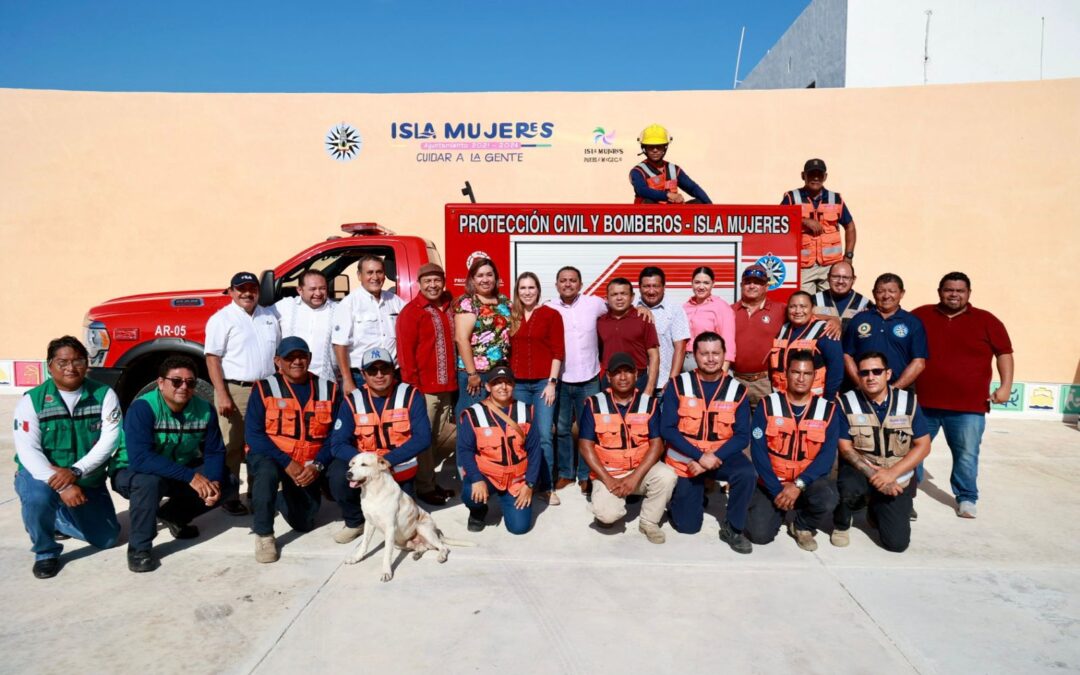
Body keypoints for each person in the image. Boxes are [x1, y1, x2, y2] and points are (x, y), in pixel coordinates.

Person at [12, 336, 122, 578]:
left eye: (78, 361)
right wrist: (63, 487)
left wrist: (75, 472)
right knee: (38, 498)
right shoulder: (32, 400)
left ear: (87, 364)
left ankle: (59, 518)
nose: (71, 368)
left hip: (85, 477)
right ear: (49, 365)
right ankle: (46, 551)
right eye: (62, 362)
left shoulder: (104, 394)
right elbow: (28, 450)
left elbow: (110, 439)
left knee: (108, 538)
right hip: (41, 476)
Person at [912, 272, 1014, 518]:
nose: (954, 294)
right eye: (949, 290)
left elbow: (1004, 354)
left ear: (968, 293)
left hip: (969, 407)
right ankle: (906, 497)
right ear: (940, 291)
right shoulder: (920, 316)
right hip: (923, 403)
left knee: (967, 455)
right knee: (911, 452)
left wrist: (1005, 386)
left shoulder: (987, 320)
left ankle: (966, 498)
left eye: (960, 290)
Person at [113, 355, 226, 572]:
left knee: (227, 481)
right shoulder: (143, 408)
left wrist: (213, 481)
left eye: (190, 382)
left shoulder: (205, 409)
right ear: (161, 382)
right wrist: (191, 477)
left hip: (175, 469)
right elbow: (141, 459)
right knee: (149, 483)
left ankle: (174, 516)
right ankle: (139, 548)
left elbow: (215, 451)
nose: (183, 386)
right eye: (176, 381)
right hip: (132, 471)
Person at [244, 337, 340, 563]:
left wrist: (317, 465)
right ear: (278, 361)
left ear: (309, 359)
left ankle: (282, 497)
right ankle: (264, 534)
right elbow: (254, 435)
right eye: (290, 357)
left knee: (304, 523)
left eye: (302, 356)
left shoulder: (329, 389)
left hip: (308, 462)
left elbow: (336, 436)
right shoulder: (264, 388)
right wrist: (287, 463)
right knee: (266, 474)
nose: (296, 361)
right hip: (272, 456)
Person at [661, 332, 757, 553]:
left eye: (716, 353)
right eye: (704, 354)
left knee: (746, 473)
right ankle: (685, 497)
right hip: (686, 459)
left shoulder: (737, 390)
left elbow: (743, 435)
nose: (711, 359)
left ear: (724, 355)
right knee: (687, 527)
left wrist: (711, 458)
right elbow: (667, 429)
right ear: (695, 355)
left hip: (720, 456)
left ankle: (733, 527)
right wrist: (699, 456)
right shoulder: (678, 385)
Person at [326, 348, 431, 544]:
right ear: (363, 374)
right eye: (372, 371)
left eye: (385, 369)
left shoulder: (411, 395)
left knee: (403, 527)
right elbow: (337, 444)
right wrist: (365, 463)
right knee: (338, 475)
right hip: (366, 467)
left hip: (398, 467)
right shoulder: (352, 400)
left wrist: (386, 461)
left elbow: (423, 438)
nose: (379, 375)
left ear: (393, 370)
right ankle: (355, 521)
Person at [831, 352, 931, 552]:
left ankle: (875, 508)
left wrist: (891, 474)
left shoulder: (908, 402)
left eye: (877, 371)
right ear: (858, 376)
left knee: (897, 544)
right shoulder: (846, 403)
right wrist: (877, 476)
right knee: (849, 486)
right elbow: (845, 448)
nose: (870, 377)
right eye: (864, 372)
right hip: (861, 469)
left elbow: (924, 445)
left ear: (888, 374)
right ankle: (841, 524)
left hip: (896, 473)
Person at [205, 271, 281, 516]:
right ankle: (230, 495)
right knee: (233, 446)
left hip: (266, 390)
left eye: (252, 288)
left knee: (260, 444)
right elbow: (212, 359)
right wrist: (222, 394)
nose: (247, 293)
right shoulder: (221, 319)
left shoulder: (270, 316)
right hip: (235, 389)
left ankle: (256, 493)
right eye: (241, 289)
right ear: (231, 291)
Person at [579, 353, 676, 543]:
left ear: (637, 374)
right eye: (617, 373)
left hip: (639, 471)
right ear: (608, 377)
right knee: (607, 516)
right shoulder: (594, 404)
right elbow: (585, 445)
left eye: (628, 372)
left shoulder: (649, 404)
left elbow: (657, 445)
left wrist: (634, 478)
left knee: (667, 475)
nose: (623, 377)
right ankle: (610, 502)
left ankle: (648, 522)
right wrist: (607, 479)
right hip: (609, 473)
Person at [747, 351, 839, 551]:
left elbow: (826, 457)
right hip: (773, 483)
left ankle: (802, 524)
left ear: (814, 376)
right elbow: (758, 452)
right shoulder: (767, 404)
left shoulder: (828, 410)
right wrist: (776, 491)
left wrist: (797, 486)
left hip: (806, 483)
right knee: (758, 535)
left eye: (806, 374)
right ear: (786, 373)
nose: (800, 378)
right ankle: (780, 506)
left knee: (828, 497)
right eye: (795, 372)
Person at [396, 262, 458, 506]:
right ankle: (424, 487)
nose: (433, 285)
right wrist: (413, 390)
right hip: (424, 390)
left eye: (437, 280)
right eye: (427, 281)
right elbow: (405, 355)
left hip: (447, 388)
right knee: (424, 439)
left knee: (436, 439)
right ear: (419, 284)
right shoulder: (412, 312)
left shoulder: (448, 307)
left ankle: (429, 480)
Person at [457, 364, 541, 534]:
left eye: (507, 383)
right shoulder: (473, 414)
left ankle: (508, 500)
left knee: (519, 528)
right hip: (488, 476)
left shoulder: (526, 411)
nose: (503, 387)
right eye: (497, 383)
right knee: (469, 492)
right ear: (488, 386)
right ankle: (477, 512)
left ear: (513, 386)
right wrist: (476, 479)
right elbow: (465, 450)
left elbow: (535, 451)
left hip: (516, 478)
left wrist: (529, 484)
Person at [508, 271, 565, 505]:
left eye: (531, 288)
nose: (527, 292)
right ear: (517, 291)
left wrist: (552, 383)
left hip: (543, 384)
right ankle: (519, 481)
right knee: (518, 435)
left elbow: (558, 351)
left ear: (539, 290)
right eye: (523, 288)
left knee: (543, 436)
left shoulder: (551, 315)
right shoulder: (512, 315)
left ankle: (547, 487)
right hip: (518, 385)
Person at [781, 158, 857, 293]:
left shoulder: (836, 198)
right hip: (804, 266)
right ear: (803, 176)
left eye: (819, 175)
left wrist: (848, 256)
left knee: (830, 304)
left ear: (825, 177)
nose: (815, 178)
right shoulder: (792, 197)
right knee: (804, 303)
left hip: (831, 265)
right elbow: (779, 221)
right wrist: (803, 221)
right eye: (811, 174)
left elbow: (850, 226)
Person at [842, 273, 928, 391]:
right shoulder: (859, 319)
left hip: (900, 391)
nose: (886, 296)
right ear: (873, 293)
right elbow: (847, 356)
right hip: (862, 392)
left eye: (892, 291)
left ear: (902, 293)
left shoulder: (913, 323)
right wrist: (862, 386)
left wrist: (893, 390)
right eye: (880, 291)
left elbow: (918, 363)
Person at [333, 255, 404, 395]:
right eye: (370, 272)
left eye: (379, 272)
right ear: (359, 275)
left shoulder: (395, 301)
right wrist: (347, 380)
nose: (375, 277)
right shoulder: (349, 303)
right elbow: (339, 344)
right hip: (362, 377)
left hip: (392, 375)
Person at [453, 257, 512, 418]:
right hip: (476, 374)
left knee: (495, 420)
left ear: (496, 277)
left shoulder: (504, 301)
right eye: (480, 276)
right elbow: (461, 339)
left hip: (500, 372)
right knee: (472, 418)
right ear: (472, 279)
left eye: (489, 275)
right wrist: (472, 374)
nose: (485, 280)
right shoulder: (468, 303)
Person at [769, 291, 844, 400]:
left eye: (803, 306)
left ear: (812, 308)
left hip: (814, 400)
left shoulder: (826, 330)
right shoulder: (783, 329)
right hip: (782, 399)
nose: (797, 311)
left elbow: (836, 370)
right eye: (793, 307)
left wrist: (828, 401)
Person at [731, 264, 787, 407]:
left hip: (765, 381)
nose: (752, 286)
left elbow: (805, 315)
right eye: (748, 282)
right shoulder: (729, 311)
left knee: (765, 424)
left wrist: (834, 319)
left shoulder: (780, 309)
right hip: (735, 379)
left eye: (757, 282)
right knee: (735, 425)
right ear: (741, 285)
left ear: (766, 287)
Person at [597, 277, 660, 395]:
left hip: (638, 380)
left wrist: (649, 389)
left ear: (632, 297)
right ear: (607, 298)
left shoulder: (644, 319)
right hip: (609, 381)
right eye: (614, 294)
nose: (619, 298)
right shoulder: (600, 322)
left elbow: (654, 356)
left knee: (639, 414)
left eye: (623, 294)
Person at [273, 269, 338, 381]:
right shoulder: (284, 307)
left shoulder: (338, 310)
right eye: (312, 289)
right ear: (300, 290)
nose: (318, 293)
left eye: (322, 288)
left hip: (325, 383)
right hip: (288, 382)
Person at [637, 266, 691, 396]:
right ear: (639, 287)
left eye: (656, 286)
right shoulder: (631, 306)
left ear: (663, 287)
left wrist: (672, 380)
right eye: (646, 286)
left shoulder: (674, 309)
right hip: (635, 384)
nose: (651, 291)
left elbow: (680, 348)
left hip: (662, 384)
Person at [629, 124, 711, 204]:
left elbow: (693, 188)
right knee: (648, 202)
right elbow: (642, 190)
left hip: (672, 214)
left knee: (700, 202)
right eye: (651, 147)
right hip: (651, 215)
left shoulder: (673, 169)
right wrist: (668, 195)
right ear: (644, 148)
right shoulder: (638, 171)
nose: (655, 150)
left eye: (659, 146)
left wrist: (711, 206)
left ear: (665, 147)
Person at [682, 266, 736, 374]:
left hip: (712, 366)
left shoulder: (721, 307)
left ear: (713, 284)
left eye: (706, 283)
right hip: (686, 366)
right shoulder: (684, 307)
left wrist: (722, 374)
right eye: (697, 282)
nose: (701, 287)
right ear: (692, 283)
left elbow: (728, 343)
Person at [812, 260, 872, 331]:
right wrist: (828, 318)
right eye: (835, 277)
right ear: (828, 277)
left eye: (846, 277)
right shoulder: (814, 300)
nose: (840, 281)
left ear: (853, 279)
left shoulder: (865, 304)